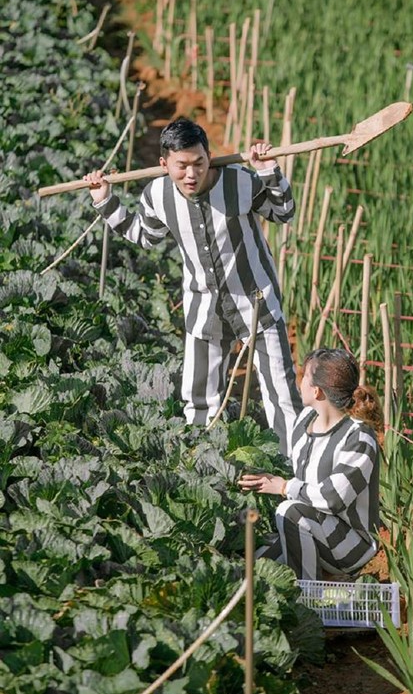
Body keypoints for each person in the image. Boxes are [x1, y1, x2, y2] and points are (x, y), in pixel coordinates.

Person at [84, 117, 302, 454]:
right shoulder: (157, 195)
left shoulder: (240, 181)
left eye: (198, 163)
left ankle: (290, 469)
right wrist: (104, 201)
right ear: (164, 164)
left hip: (256, 301)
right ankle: (203, 464)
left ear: (209, 157)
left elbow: (283, 212)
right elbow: (143, 236)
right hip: (204, 306)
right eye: (181, 166)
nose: (191, 174)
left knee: (282, 396)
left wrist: (269, 171)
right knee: (199, 397)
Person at [238, 348, 381, 580]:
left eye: (304, 376)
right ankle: (311, 577)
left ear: (317, 391)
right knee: (253, 567)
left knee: (289, 511)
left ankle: (308, 595)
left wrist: (284, 487)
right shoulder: (304, 420)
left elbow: (334, 498)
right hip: (311, 527)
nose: (300, 382)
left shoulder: (359, 438)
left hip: (351, 545)